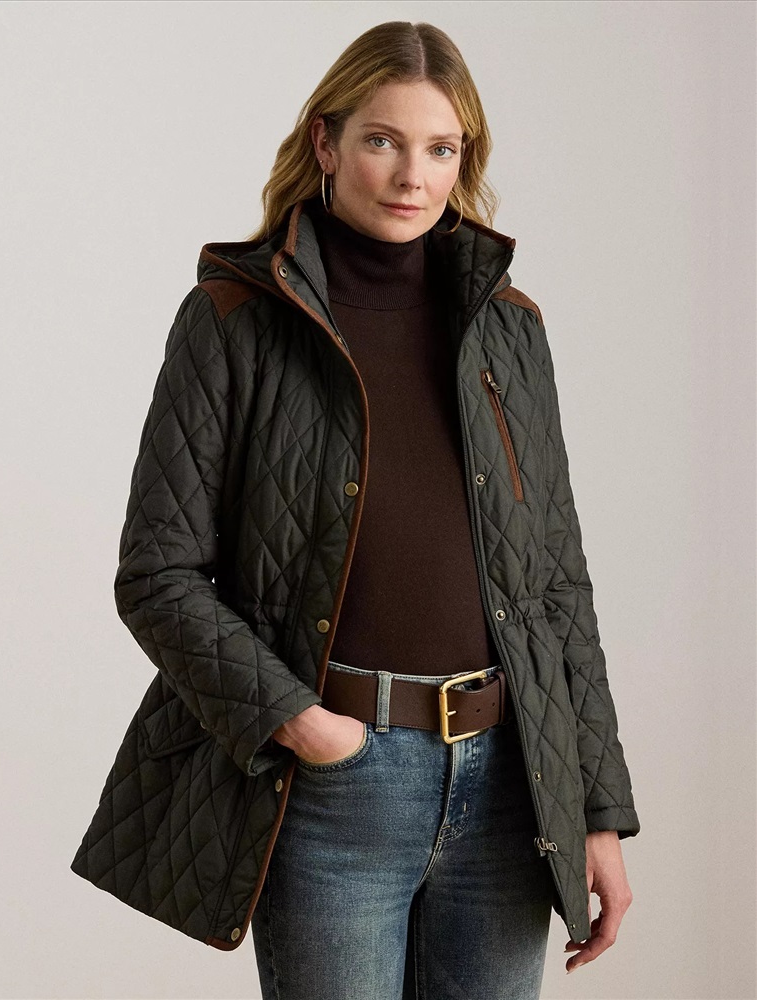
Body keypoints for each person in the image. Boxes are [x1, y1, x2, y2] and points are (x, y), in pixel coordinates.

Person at [70, 20, 640, 1000]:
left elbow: (555, 585)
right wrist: (304, 726)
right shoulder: (235, 320)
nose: (412, 175)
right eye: (383, 140)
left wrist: (595, 809)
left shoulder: (508, 329)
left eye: (440, 148)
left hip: (511, 788)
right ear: (325, 142)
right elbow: (156, 574)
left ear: (463, 160)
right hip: (338, 787)